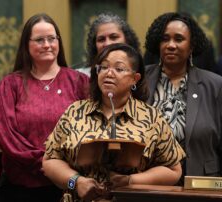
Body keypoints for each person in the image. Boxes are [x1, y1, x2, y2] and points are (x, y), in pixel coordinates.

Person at [43, 43, 185, 202]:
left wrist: (131, 181)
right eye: (103, 67)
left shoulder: (152, 118)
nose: (108, 73)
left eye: (119, 69)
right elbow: (50, 160)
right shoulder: (75, 112)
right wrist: (75, 182)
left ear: (134, 78)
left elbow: (173, 170)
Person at [0, 13, 89, 202]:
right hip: (19, 190)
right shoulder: (10, 85)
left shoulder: (80, 82)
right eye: (39, 40)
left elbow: (93, 130)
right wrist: (50, 164)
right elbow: (6, 136)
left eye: (52, 38)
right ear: (26, 45)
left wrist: (62, 170)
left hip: (68, 187)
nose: (47, 45)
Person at [144, 12, 222, 180]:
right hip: (148, 181)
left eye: (179, 39)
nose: (171, 45)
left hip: (200, 182)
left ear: (191, 46)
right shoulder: (140, 80)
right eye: (165, 39)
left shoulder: (215, 85)